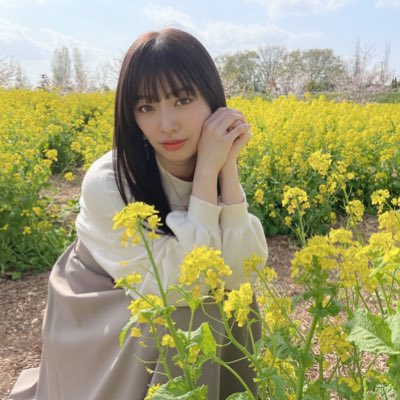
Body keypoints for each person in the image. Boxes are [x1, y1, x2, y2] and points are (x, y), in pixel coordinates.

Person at [9, 28, 268, 400]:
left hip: (164, 289)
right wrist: (207, 173)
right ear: (132, 115)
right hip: (101, 300)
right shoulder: (108, 181)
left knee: (233, 299)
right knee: (187, 313)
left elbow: (244, 271)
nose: (166, 124)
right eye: (147, 107)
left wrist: (226, 167)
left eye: (182, 100)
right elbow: (181, 286)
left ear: (213, 101)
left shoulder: (212, 157)